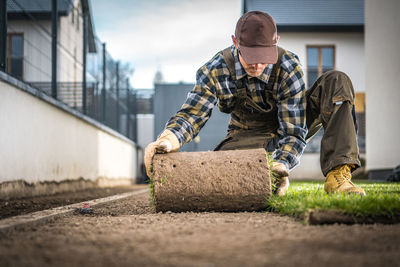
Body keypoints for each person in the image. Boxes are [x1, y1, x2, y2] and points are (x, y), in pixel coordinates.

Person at [145, 11, 365, 196]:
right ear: (235, 42)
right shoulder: (215, 69)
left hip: (286, 126)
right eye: (251, 55)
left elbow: (294, 131)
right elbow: (193, 114)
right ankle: (261, 174)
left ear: (275, 42)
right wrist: (168, 139)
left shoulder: (289, 67)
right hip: (246, 136)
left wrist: (281, 165)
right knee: (219, 178)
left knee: (337, 81)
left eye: (264, 55)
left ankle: (338, 176)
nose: (258, 64)